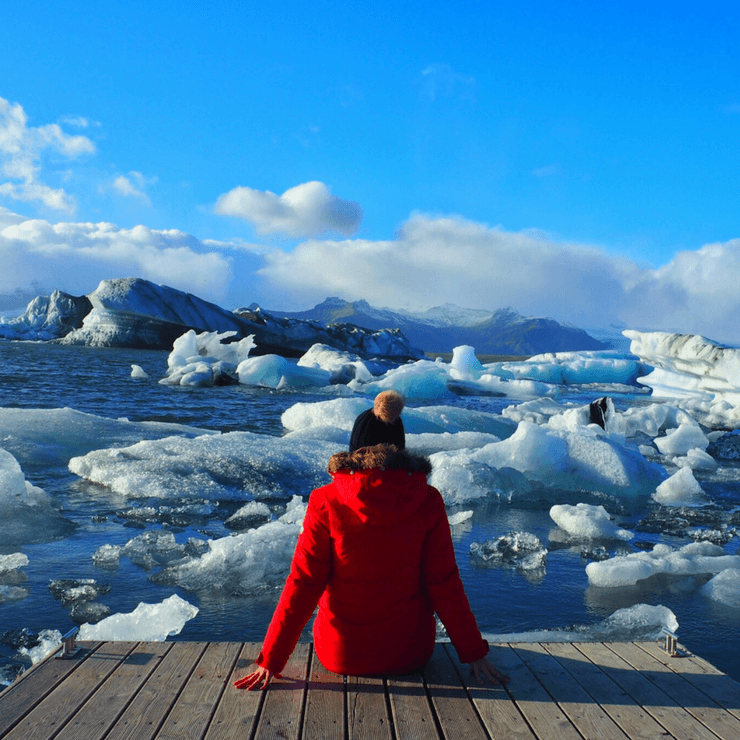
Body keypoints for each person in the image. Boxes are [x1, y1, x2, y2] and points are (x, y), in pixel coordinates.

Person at [234, 443, 509, 691]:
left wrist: (271, 659)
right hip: (410, 652)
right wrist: (473, 653)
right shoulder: (427, 499)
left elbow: (304, 582)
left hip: (340, 655)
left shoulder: (325, 500)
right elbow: (443, 582)